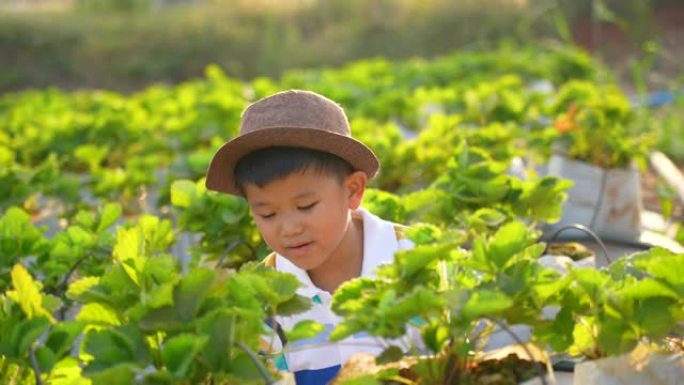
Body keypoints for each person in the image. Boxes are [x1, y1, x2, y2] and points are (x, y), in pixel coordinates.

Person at [205, 90, 414, 385]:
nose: (289, 228)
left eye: (305, 207)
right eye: (267, 214)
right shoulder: (263, 297)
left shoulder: (418, 258)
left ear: (353, 190)